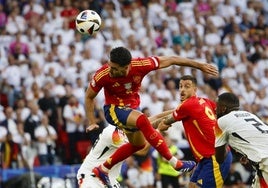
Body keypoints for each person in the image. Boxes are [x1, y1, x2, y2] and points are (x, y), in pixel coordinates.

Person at [85, 46, 218, 186]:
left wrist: (199, 65)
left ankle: (103, 169)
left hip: (133, 109)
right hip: (113, 109)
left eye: (115, 68)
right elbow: (89, 97)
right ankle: (175, 163)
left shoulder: (141, 65)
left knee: (138, 145)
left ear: (127, 67)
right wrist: (92, 122)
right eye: (110, 65)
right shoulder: (103, 74)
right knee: (143, 120)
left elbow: (172, 59)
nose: (110, 70)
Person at [157, 75, 232, 187]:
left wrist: (155, 126)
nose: (182, 89)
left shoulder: (187, 105)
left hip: (215, 157)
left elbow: (165, 122)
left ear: (195, 90)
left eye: (187, 86)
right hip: (208, 156)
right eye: (180, 86)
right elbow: (219, 114)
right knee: (191, 185)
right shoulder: (204, 101)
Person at [77, 112, 172, 188]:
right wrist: (158, 130)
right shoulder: (114, 134)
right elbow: (142, 151)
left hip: (109, 178)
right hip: (91, 176)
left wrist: (179, 110)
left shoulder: (127, 126)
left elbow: (157, 117)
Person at [215, 92, 268, 188]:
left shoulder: (221, 121)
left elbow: (219, 158)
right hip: (262, 161)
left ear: (223, 108)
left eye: (217, 106)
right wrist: (247, 153)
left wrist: (225, 144)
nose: (215, 109)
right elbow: (258, 137)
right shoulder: (249, 114)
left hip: (265, 161)